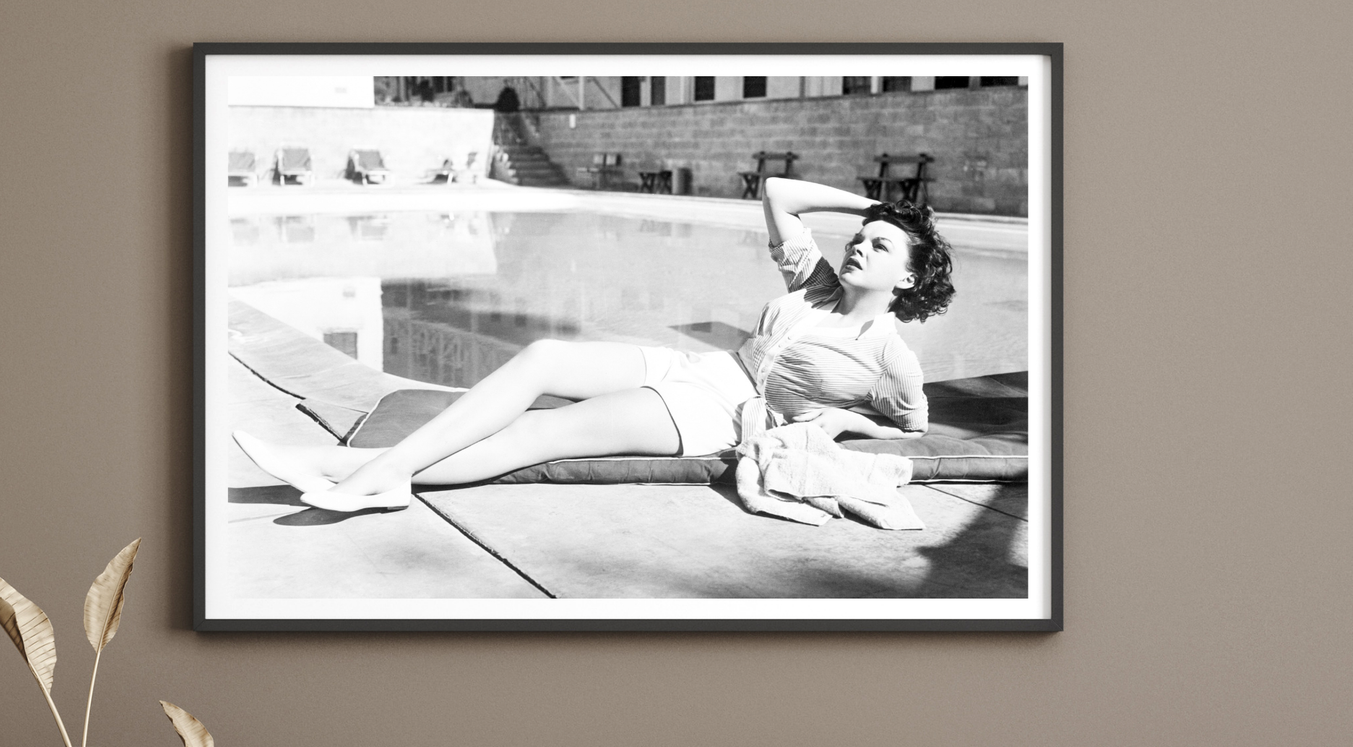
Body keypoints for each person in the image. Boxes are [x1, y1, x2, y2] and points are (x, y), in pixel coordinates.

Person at [233, 178, 955, 513]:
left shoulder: (890, 354)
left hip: (720, 413)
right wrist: (877, 208)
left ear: (909, 274)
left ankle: (360, 475)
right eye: (860, 239)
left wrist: (840, 421)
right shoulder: (817, 282)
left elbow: (911, 425)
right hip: (701, 366)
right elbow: (776, 192)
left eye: (880, 246)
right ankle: (376, 478)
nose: (860, 247)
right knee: (545, 354)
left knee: (544, 431)